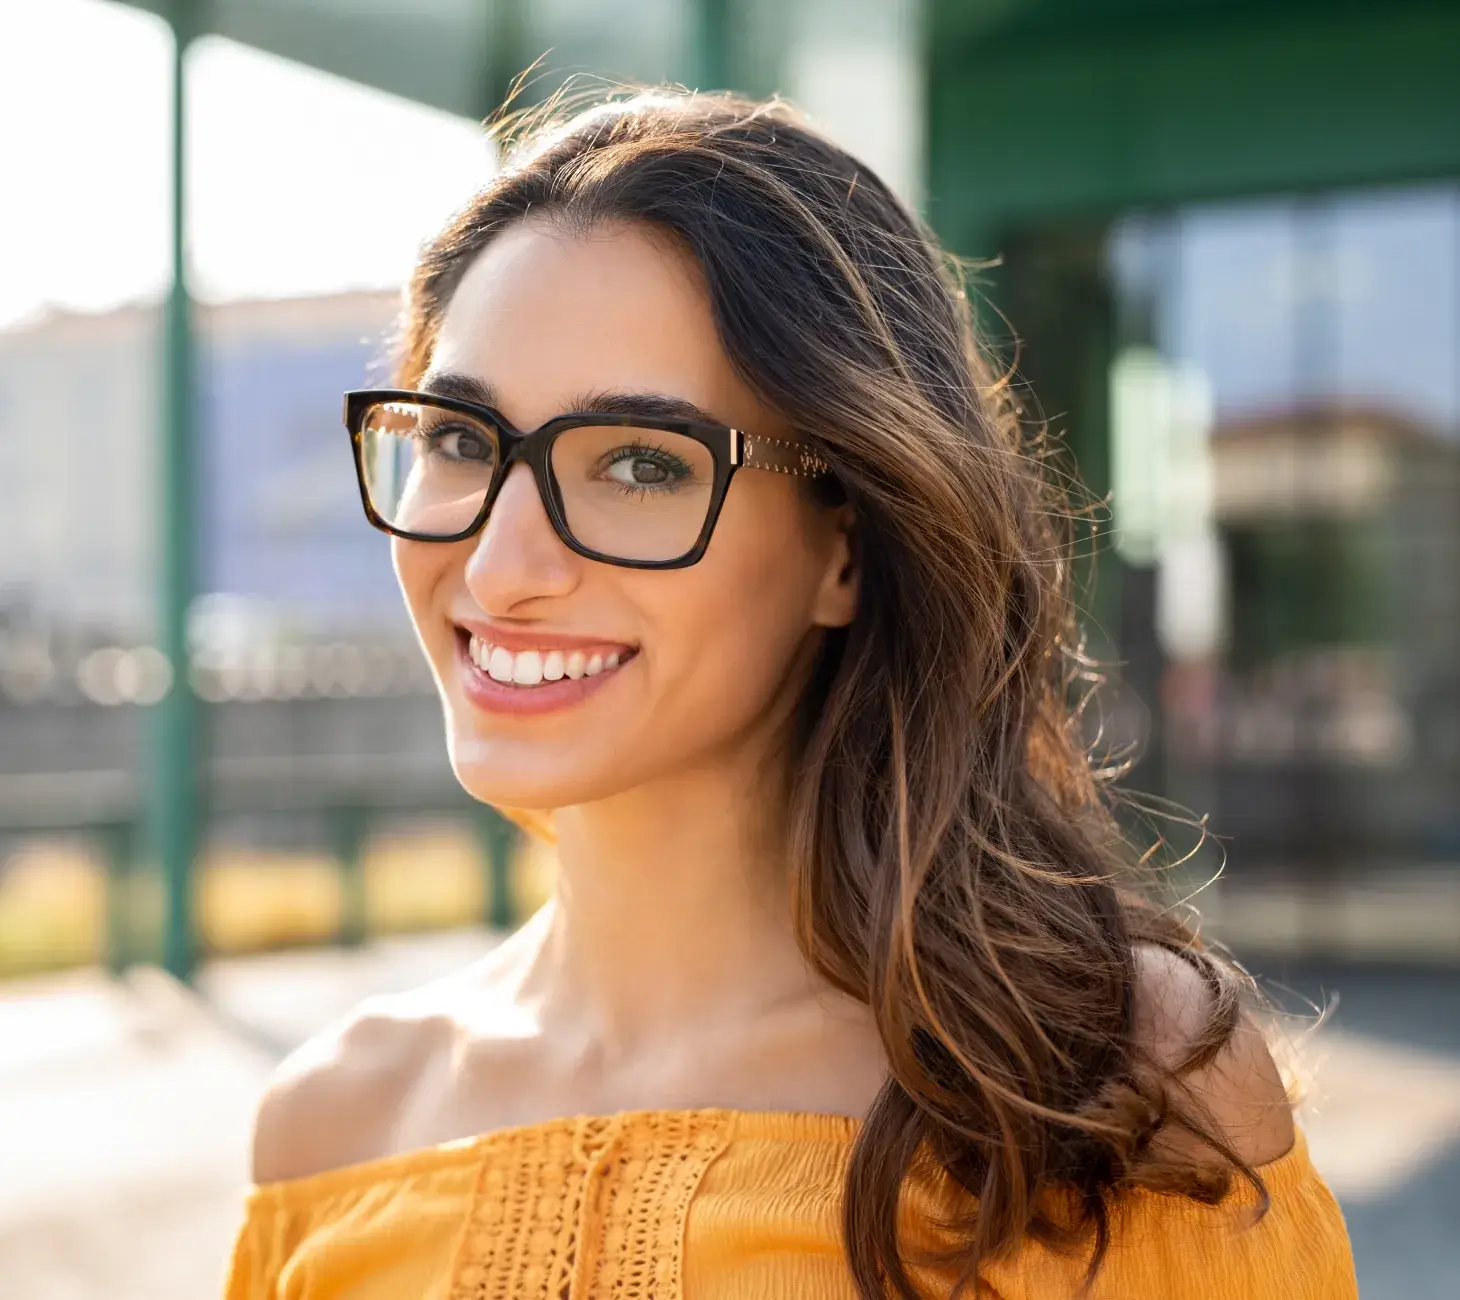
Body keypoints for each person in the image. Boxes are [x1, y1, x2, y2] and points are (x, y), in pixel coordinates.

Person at [224, 91, 1357, 1299]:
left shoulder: (1112, 1092)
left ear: (845, 547)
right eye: (456, 438)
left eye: (639, 464)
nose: (501, 568)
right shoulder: (329, 1130)